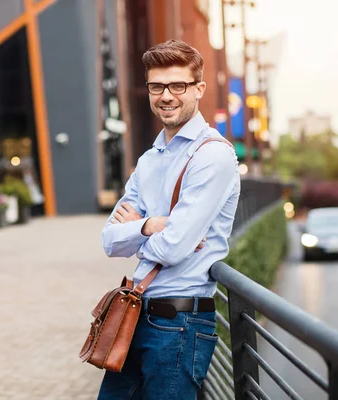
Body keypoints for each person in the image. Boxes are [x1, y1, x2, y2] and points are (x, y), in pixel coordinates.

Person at [98, 40, 241, 399]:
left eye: (178, 85)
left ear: (199, 89)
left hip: (181, 325)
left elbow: (174, 247)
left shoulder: (212, 156)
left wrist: (142, 234)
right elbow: (108, 241)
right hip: (136, 313)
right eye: (157, 86)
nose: (166, 96)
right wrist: (148, 225)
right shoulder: (149, 159)